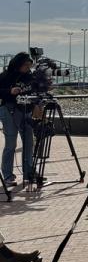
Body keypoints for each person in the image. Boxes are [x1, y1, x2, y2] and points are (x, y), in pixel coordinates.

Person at [0, 52, 35, 186]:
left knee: (28, 142)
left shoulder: (29, 77)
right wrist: (9, 91)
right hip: (8, 110)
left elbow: (34, 90)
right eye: (25, 65)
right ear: (18, 64)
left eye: (29, 65)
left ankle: (29, 173)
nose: (27, 68)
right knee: (11, 144)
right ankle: (8, 176)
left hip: (25, 111)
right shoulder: (5, 76)